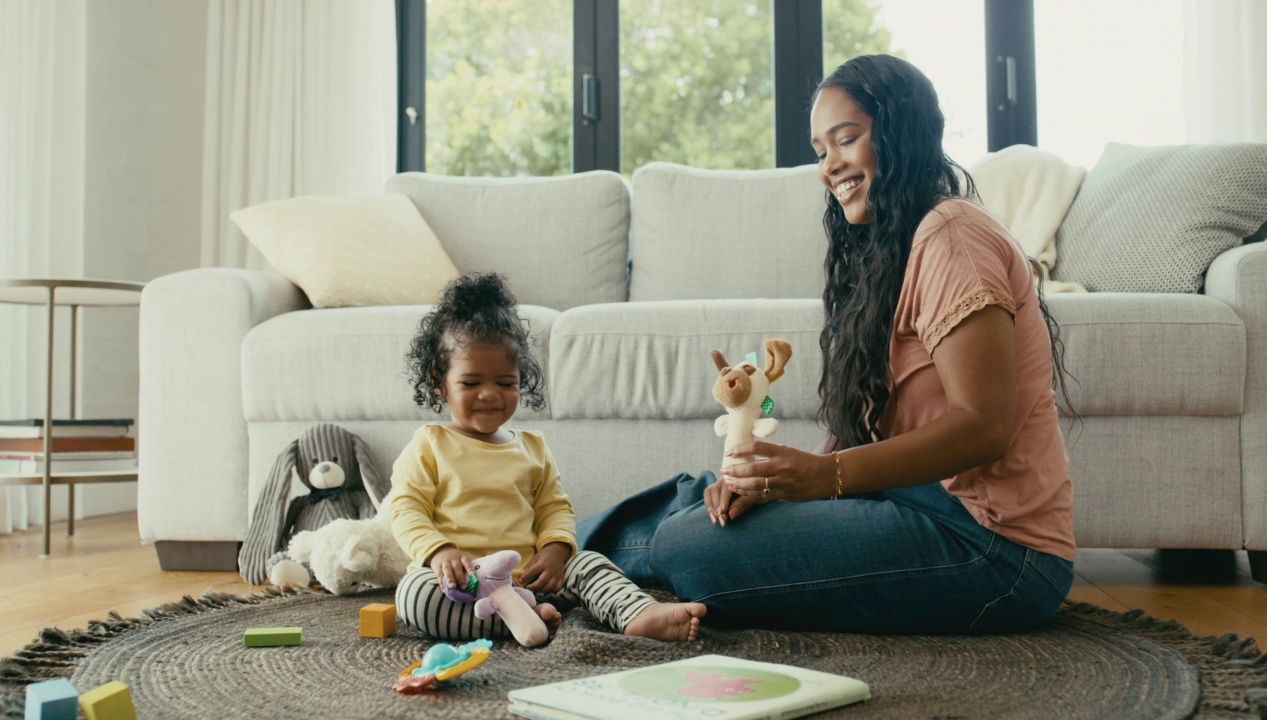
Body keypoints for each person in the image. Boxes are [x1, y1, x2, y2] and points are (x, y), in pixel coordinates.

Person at [583, 54, 1076, 635]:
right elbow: (872, 441)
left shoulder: (951, 237)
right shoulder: (897, 245)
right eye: (821, 151)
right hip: (923, 502)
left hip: (996, 550)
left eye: (846, 140)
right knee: (719, 494)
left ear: (900, 132)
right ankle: (548, 544)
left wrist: (823, 479)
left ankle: (565, 554)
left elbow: (984, 425)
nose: (828, 167)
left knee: (691, 545)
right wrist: (787, 483)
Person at [388, 272, 705, 644]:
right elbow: (406, 507)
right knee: (413, 595)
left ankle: (637, 612)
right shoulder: (430, 445)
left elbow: (555, 508)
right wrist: (438, 552)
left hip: (529, 579)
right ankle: (517, 620)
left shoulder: (533, 448)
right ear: (439, 383)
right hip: (461, 587)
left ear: (522, 380)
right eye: (471, 383)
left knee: (588, 563)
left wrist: (556, 551)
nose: (489, 394)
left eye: (505, 383)